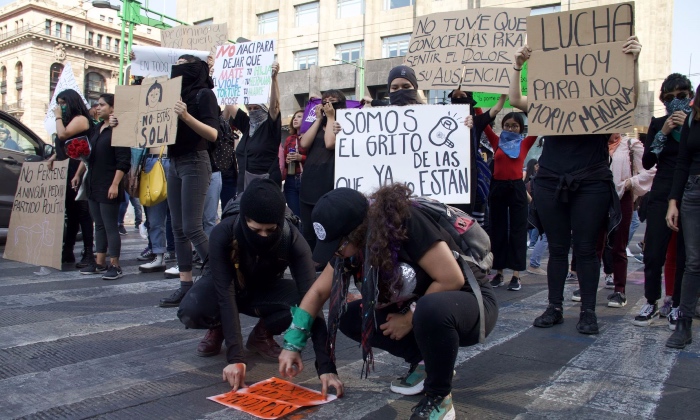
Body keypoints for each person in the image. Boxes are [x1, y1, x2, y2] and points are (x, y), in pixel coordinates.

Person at [278, 185, 498, 419]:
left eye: (338, 246)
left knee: (428, 309)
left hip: (470, 303)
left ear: (357, 232)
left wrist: (408, 319)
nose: (335, 254)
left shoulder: (407, 223)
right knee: (351, 316)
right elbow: (317, 293)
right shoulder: (350, 249)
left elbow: (451, 279)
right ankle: (424, 363)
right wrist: (292, 344)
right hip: (422, 308)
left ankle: (439, 397)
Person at [509, 36, 642, 334]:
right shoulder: (549, 101)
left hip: (591, 182)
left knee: (584, 249)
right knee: (557, 248)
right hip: (552, 181)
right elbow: (517, 101)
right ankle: (554, 307)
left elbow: (629, 100)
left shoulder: (602, 103)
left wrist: (633, 61)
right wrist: (518, 67)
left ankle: (587, 313)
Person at [177, 179, 339, 393]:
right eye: (256, 230)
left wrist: (326, 367)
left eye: (270, 230)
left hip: (265, 291)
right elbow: (225, 295)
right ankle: (219, 327)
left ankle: (262, 334)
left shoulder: (293, 240)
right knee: (192, 308)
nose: (263, 236)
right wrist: (236, 358)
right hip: (228, 288)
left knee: (304, 304)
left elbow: (314, 300)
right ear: (244, 222)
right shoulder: (223, 233)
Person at [122, 55, 219, 307]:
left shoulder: (204, 95)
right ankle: (185, 285)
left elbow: (213, 133)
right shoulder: (172, 96)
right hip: (173, 163)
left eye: (184, 62)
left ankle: (222, 277)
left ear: (195, 69)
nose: (178, 66)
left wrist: (186, 116)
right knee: (177, 228)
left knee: (192, 227)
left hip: (196, 162)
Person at [635, 73, 693, 328]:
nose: (676, 102)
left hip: (689, 193)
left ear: (690, 96)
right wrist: (663, 133)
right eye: (670, 98)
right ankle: (651, 301)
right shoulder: (659, 123)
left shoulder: (696, 123)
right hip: (661, 193)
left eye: (682, 96)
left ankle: (677, 305)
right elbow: (647, 162)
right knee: (653, 252)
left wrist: (688, 126)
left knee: (683, 255)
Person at [73, 93, 130, 280]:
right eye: (97, 105)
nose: (98, 108)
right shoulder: (97, 129)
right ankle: (99, 262)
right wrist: (78, 175)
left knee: (110, 225)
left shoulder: (119, 129)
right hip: (93, 183)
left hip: (108, 184)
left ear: (113, 108)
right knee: (99, 225)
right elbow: (88, 154)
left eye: (102, 105)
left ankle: (115, 265)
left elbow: (123, 162)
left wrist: (115, 184)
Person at [665, 84, 700, 348]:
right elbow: (683, 161)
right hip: (693, 192)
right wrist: (673, 202)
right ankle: (684, 325)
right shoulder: (693, 118)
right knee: (694, 262)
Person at [487, 113, 537, 291]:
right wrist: (473, 100)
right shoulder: (496, 141)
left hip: (516, 188)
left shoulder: (524, 143)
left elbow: (539, 123)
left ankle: (516, 275)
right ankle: (499, 272)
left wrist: (531, 108)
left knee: (518, 230)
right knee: (497, 229)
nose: (510, 128)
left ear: (521, 128)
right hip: (498, 187)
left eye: (514, 125)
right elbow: (484, 121)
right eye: (507, 125)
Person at [46, 89, 95, 269]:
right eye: (59, 103)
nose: (61, 107)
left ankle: (89, 252)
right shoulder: (67, 121)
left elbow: (63, 135)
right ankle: (68, 250)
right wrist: (53, 158)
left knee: (82, 212)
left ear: (72, 103)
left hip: (78, 169)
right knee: (71, 213)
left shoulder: (80, 119)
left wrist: (58, 117)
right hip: (66, 169)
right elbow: (63, 146)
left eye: (64, 103)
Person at [299, 90, 346, 258]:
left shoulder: (341, 124)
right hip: (309, 184)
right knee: (308, 228)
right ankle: (309, 261)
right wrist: (319, 118)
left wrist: (332, 117)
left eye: (332, 101)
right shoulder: (318, 124)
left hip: (328, 184)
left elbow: (329, 143)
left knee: (326, 227)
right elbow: (304, 143)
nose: (328, 104)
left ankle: (325, 261)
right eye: (325, 101)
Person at [227, 62, 281, 194]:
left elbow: (275, 106)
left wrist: (274, 79)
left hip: (265, 184)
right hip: (244, 184)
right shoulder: (247, 125)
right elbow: (229, 103)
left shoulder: (270, 126)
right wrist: (226, 77)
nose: (252, 111)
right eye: (249, 108)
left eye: (256, 108)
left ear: (264, 109)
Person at [282, 110, 306, 218]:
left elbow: (316, 159)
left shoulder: (312, 137)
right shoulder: (289, 139)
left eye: (300, 116)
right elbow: (284, 158)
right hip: (291, 179)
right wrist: (287, 161)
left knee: (306, 214)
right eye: (295, 117)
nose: (295, 119)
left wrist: (301, 157)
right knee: (295, 216)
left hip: (306, 178)